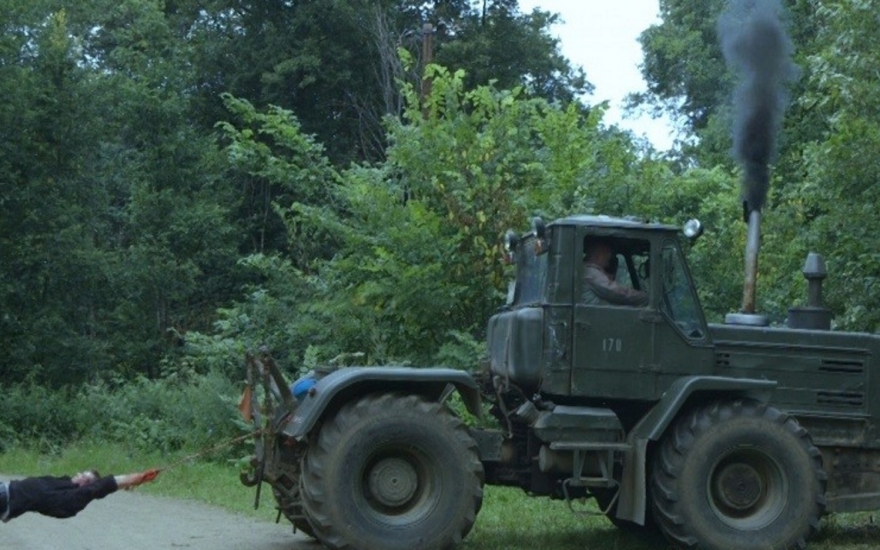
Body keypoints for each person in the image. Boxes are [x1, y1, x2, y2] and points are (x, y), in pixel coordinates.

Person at [0, 468, 159, 522]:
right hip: (6, 489)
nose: (79, 474)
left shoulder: (73, 497)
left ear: (87, 485)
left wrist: (137, 478)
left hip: (6, 499)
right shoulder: (65, 483)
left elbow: (103, 486)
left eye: (85, 476)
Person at [582, 240, 648, 307]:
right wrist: (645, 297)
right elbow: (616, 293)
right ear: (600, 256)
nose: (607, 263)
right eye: (607, 259)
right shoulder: (591, 272)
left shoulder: (588, 271)